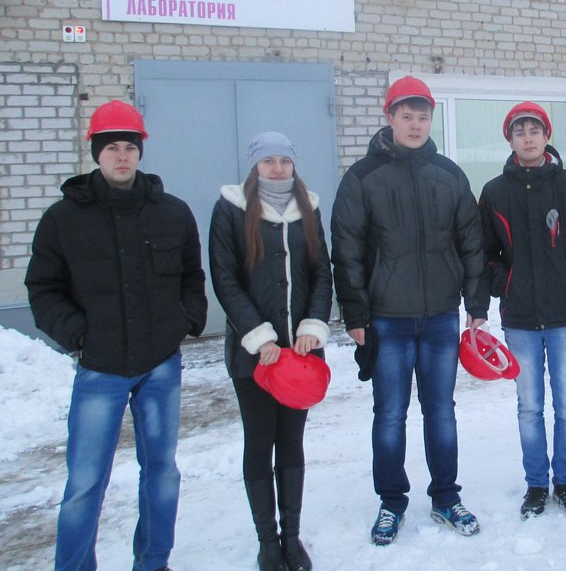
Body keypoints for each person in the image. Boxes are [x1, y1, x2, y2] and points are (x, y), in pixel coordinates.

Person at [25, 100, 207, 571]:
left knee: (162, 472)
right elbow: (43, 289)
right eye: (112, 148)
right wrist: (78, 335)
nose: (122, 156)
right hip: (100, 367)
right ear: (96, 153)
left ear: (140, 151)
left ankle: (153, 562)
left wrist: (186, 319)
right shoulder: (63, 219)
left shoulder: (171, 212)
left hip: (160, 364)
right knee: (85, 482)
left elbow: (191, 276)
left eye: (129, 147)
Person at [331, 76, 487, 546]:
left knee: (441, 411)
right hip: (387, 319)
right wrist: (356, 316)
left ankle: (445, 497)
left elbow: (471, 241)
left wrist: (476, 303)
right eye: (406, 116)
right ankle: (392, 501)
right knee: (389, 414)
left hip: (440, 315)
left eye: (423, 116)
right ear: (390, 117)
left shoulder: (449, 174)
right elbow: (347, 250)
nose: (415, 124)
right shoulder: (362, 177)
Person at [208, 132, 332, 571]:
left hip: (299, 356)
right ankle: (267, 541)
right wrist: (259, 336)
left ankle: (292, 537)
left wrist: (312, 326)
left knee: (292, 444)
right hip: (254, 357)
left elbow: (321, 273)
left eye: (284, 160)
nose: (277, 168)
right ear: (254, 166)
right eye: (268, 161)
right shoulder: (230, 209)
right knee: (260, 443)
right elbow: (224, 278)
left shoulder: (308, 209)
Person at [476, 102, 566, 519]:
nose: (528, 138)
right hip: (521, 320)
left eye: (535, 130)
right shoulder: (495, 192)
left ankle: (565, 482)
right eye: (520, 132)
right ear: (510, 140)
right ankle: (536, 485)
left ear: (547, 136)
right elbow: (484, 252)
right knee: (529, 408)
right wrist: (505, 283)